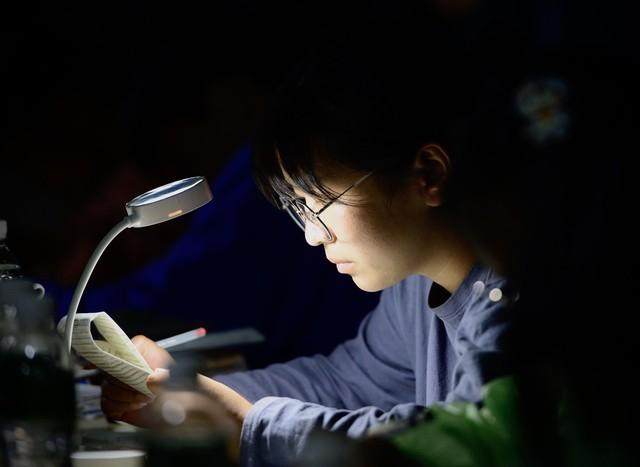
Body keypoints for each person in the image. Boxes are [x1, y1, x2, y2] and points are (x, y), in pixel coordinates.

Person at [101, 34, 516, 466]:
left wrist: (244, 422)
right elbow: (346, 384)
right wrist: (194, 390)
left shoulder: (520, 304)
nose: (313, 236)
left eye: (321, 202)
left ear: (428, 175)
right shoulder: (415, 288)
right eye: (300, 210)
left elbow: (461, 442)